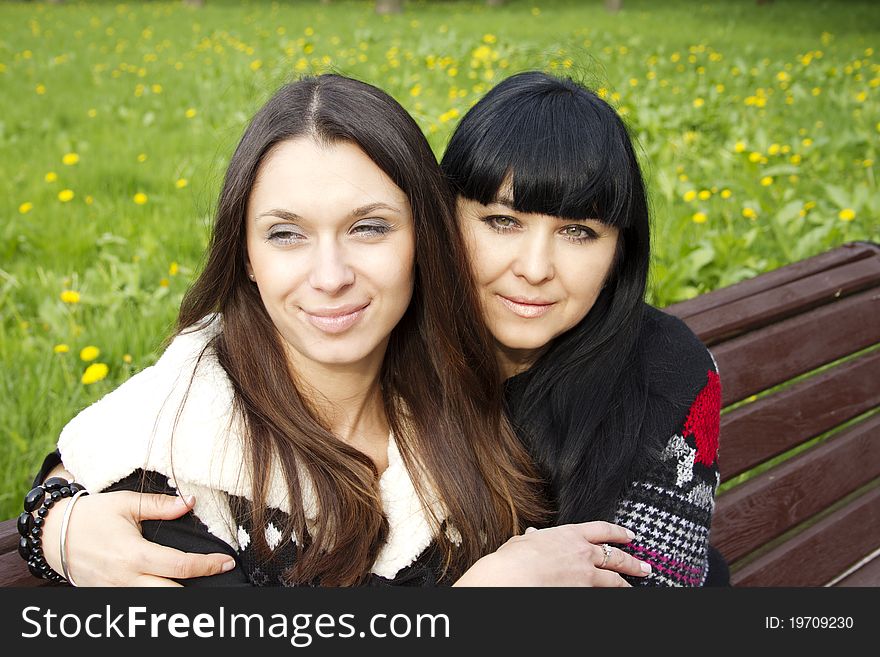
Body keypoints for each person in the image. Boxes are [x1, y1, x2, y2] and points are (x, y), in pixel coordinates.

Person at [20, 74, 648, 587]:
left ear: (424, 239)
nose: (330, 276)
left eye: (369, 227)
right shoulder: (181, 457)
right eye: (286, 234)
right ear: (245, 256)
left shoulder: (455, 387)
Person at [441, 71, 723, 586]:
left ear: (619, 251)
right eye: (504, 221)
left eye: (578, 232)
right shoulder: (387, 354)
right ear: (444, 218)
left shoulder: (665, 367)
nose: (535, 267)